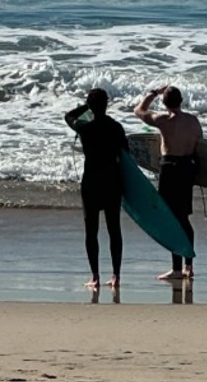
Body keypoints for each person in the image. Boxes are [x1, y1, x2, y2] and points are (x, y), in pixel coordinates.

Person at [134, 85, 202, 281]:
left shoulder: (162, 120)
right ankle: (189, 266)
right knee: (184, 219)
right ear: (181, 101)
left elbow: (138, 110)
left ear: (164, 103)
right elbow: (201, 145)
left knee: (172, 220)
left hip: (170, 169)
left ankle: (177, 269)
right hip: (187, 169)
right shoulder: (193, 121)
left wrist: (153, 93)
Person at [64, 88, 129, 290]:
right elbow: (126, 155)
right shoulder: (116, 127)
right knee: (114, 229)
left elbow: (69, 116)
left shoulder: (85, 127)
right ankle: (116, 276)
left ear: (91, 106)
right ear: (107, 104)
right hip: (112, 181)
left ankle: (95, 277)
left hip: (92, 182)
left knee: (91, 231)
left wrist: (87, 106)